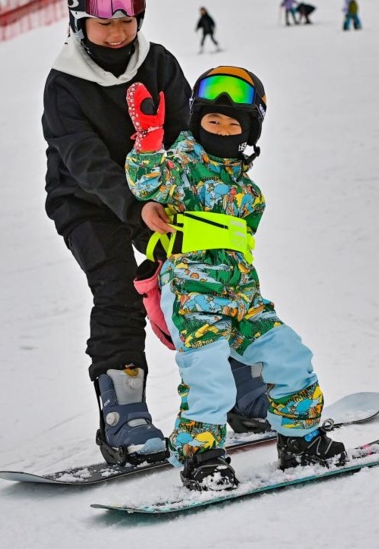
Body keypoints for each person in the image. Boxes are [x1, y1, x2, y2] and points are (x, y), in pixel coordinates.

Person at [41, 0, 270, 467]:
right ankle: (124, 417)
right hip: (87, 200)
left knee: (209, 273)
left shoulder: (157, 62)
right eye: (106, 22)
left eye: (128, 20)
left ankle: (244, 390)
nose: (119, 31)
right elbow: (85, 162)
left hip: (162, 194)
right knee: (118, 286)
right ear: (80, 21)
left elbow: (185, 133)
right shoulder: (64, 85)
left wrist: (200, 182)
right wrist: (134, 205)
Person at [124, 66, 345, 491]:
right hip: (191, 292)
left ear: (249, 132)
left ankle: (298, 439)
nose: (222, 129)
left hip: (243, 297)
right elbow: (146, 181)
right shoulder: (180, 167)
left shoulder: (250, 195)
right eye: (212, 120)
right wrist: (149, 143)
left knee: (290, 355)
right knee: (208, 374)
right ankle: (201, 456)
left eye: (233, 124)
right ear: (196, 122)